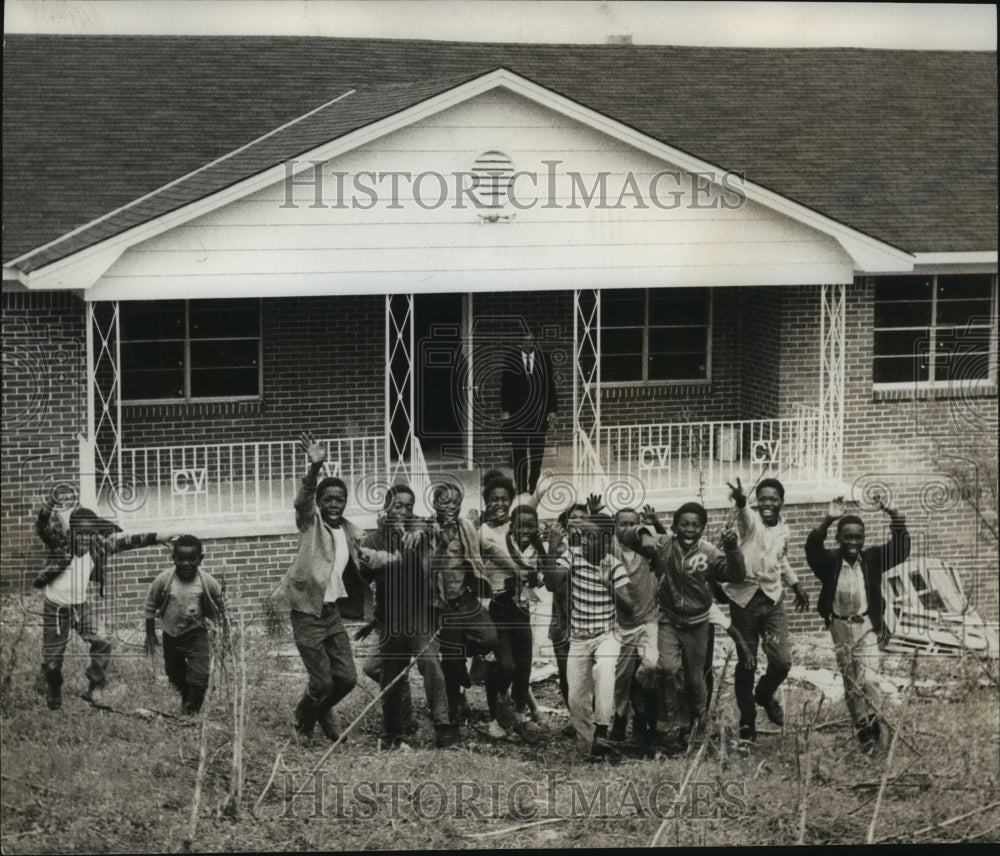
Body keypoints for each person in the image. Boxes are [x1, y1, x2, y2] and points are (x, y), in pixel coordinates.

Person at [622, 502, 749, 742]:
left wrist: (732, 549)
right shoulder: (664, 545)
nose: (690, 530)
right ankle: (670, 720)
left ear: (702, 528)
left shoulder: (709, 552)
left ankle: (700, 725)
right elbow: (626, 536)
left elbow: (736, 574)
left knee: (694, 678)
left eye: (695, 525)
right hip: (669, 619)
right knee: (667, 669)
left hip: (698, 623)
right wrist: (643, 532)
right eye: (684, 524)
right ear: (675, 527)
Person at [33, 492, 170, 710]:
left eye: (90, 534)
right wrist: (48, 507)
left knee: (103, 640)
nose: (85, 540)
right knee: (52, 663)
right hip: (55, 610)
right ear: (71, 533)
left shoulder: (97, 548)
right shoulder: (60, 545)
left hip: (79, 607)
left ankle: (95, 686)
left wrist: (157, 537)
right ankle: (53, 684)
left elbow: (128, 542)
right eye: (80, 534)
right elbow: (41, 528)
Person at [281, 432, 370, 742]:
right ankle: (302, 721)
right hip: (307, 612)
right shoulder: (309, 523)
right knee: (322, 683)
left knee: (345, 678)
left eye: (340, 499)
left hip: (331, 613)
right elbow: (301, 501)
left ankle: (318, 712)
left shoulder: (350, 531)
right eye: (328, 499)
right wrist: (315, 467)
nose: (335, 504)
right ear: (319, 503)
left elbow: (366, 564)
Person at [805, 495, 910, 752]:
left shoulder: (872, 559)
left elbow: (902, 548)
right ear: (839, 538)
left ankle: (874, 721)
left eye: (858, 537)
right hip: (840, 627)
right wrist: (829, 518)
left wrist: (893, 512)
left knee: (870, 678)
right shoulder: (829, 563)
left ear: (863, 539)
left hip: (866, 626)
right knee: (851, 681)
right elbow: (811, 548)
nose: (853, 542)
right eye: (848, 537)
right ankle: (862, 728)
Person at [358, 485, 455, 749]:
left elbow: (435, 535)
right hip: (390, 619)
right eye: (397, 506)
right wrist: (368, 563)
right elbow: (364, 578)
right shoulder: (374, 540)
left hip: (419, 615)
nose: (403, 511)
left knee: (430, 664)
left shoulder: (420, 533)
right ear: (386, 508)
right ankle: (396, 727)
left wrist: (424, 533)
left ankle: (443, 725)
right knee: (385, 672)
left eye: (408, 506)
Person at [723, 478, 810, 741]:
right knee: (747, 662)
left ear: (782, 502)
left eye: (773, 499)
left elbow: (780, 560)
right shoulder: (750, 524)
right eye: (763, 499)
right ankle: (747, 721)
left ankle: (762, 695)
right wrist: (740, 500)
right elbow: (744, 514)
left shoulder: (785, 529)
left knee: (782, 661)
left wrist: (795, 585)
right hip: (744, 600)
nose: (768, 504)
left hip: (773, 600)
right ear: (756, 502)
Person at [554, 513, 633, 758]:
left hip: (606, 635)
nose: (584, 542)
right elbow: (552, 583)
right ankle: (593, 749)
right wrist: (549, 546)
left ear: (606, 541)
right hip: (579, 638)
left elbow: (629, 606)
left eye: (591, 537)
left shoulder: (614, 565)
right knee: (576, 698)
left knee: (605, 667)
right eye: (583, 536)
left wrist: (608, 583)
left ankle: (602, 729)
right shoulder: (572, 556)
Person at [483, 503, 550, 741]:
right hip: (500, 612)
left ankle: (520, 715)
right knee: (506, 665)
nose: (525, 530)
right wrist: (526, 576)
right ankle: (502, 697)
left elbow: (543, 579)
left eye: (531, 526)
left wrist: (533, 575)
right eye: (520, 525)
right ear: (511, 525)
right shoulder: (501, 543)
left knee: (524, 668)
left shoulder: (538, 548)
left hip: (522, 613)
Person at [143, 535, 226, 715]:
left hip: (197, 634)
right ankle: (186, 694)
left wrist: (226, 631)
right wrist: (150, 634)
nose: (186, 563)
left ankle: (190, 712)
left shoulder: (207, 582)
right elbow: (150, 605)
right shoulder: (164, 580)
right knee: (174, 674)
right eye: (181, 559)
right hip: (171, 635)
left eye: (192, 559)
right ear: (173, 558)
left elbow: (223, 605)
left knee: (201, 676)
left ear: (200, 559)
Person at [609, 506, 662, 743]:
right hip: (621, 625)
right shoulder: (611, 550)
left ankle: (640, 708)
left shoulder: (648, 550)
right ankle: (620, 721)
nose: (628, 528)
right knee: (620, 679)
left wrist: (650, 528)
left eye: (633, 524)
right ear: (614, 527)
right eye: (623, 524)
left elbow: (663, 545)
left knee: (650, 665)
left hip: (648, 621)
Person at [500, 328, 557, 496]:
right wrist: (505, 411)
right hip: (518, 415)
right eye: (525, 341)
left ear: (535, 342)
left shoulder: (544, 359)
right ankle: (521, 488)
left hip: (539, 415)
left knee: (536, 454)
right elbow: (505, 388)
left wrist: (553, 411)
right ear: (520, 343)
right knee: (519, 454)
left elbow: (550, 387)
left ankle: (532, 488)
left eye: (531, 341)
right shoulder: (511, 359)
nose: (528, 344)